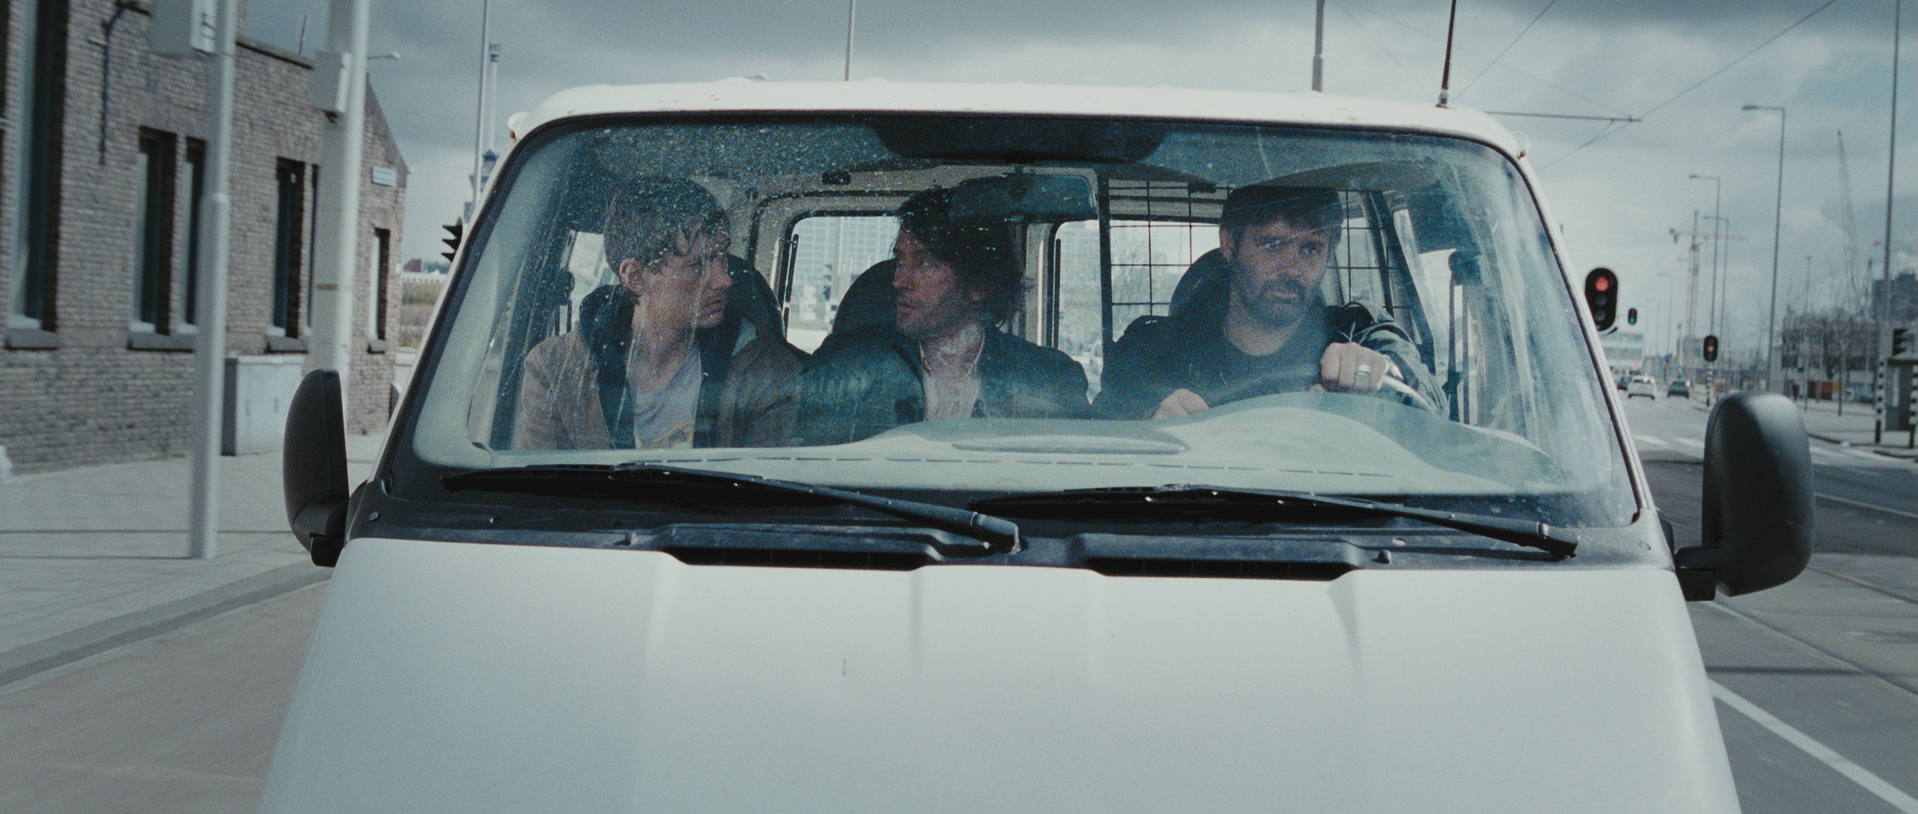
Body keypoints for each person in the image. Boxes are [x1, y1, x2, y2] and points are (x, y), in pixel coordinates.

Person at [1095, 185, 1444, 420]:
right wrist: (1147, 424)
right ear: (1229, 243)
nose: (1292, 268)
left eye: (1310, 248)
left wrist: (1384, 377)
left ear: (1328, 254)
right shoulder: (1153, 351)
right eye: (1272, 245)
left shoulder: (1359, 332)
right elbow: (1097, 437)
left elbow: (1433, 405)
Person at [514, 176, 801, 450]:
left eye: (722, 257)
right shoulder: (555, 370)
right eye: (699, 265)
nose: (725, 279)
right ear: (636, 277)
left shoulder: (767, 373)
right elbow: (546, 483)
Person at [797, 187, 1090, 445]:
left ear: (980, 284)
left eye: (925, 263)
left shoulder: (1047, 379)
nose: (898, 280)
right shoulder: (845, 364)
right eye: (900, 260)